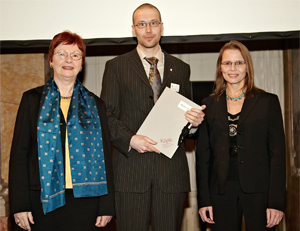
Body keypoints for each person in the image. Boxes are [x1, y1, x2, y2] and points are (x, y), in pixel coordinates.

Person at [100, 3, 205, 231]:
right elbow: (106, 116)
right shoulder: (116, 66)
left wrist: (193, 124)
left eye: (153, 23)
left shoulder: (181, 68)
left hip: (170, 175)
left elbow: (184, 119)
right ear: (133, 29)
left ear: (161, 27)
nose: (148, 29)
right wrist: (130, 139)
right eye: (142, 24)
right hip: (130, 173)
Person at [9, 31, 115, 231]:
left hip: (86, 202)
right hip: (39, 201)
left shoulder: (96, 104)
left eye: (75, 55)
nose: (69, 60)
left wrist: (107, 205)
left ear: (82, 63)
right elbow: (18, 156)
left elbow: (105, 158)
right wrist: (20, 204)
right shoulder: (31, 100)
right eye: (61, 54)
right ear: (51, 60)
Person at [196, 40, 286, 231]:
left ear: (248, 66)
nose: (233, 68)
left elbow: (278, 155)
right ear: (220, 67)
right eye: (227, 63)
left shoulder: (268, 102)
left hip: (260, 191)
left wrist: (276, 202)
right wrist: (203, 200)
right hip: (220, 191)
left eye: (239, 62)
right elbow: (203, 157)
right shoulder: (208, 104)